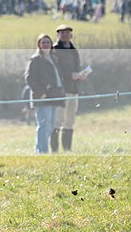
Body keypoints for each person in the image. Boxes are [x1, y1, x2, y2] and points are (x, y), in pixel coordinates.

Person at [25, 33, 65, 154]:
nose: (46, 44)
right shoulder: (36, 59)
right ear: (39, 45)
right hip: (42, 97)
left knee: (51, 124)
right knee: (44, 123)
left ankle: (42, 149)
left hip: (54, 95)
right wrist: (40, 93)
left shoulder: (54, 58)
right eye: (43, 42)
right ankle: (41, 151)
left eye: (48, 42)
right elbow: (29, 78)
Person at [51, 24, 88, 152]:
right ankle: (55, 150)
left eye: (67, 33)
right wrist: (70, 75)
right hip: (61, 91)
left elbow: (76, 67)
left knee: (70, 120)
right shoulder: (54, 50)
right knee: (58, 121)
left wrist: (81, 75)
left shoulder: (74, 50)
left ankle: (67, 149)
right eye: (62, 33)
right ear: (58, 35)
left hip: (74, 89)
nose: (65, 35)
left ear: (71, 35)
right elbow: (55, 70)